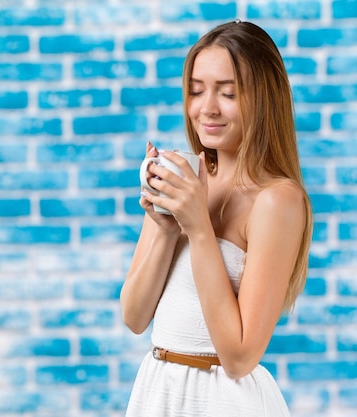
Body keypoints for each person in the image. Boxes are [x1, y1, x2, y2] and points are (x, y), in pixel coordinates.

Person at [121, 20, 313, 416]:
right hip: (159, 392)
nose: (206, 108)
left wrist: (198, 227)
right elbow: (135, 316)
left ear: (263, 98)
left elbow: (240, 357)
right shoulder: (184, 179)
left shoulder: (277, 200)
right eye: (196, 91)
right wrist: (165, 229)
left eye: (228, 93)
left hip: (225, 401)